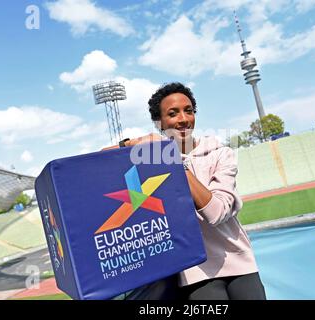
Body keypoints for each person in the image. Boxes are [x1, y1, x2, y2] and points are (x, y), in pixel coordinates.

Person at [103, 82, 266, 300]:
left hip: (237, 259)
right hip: (194, 269)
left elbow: (217, 213)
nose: (183, 119)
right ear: (159, 122)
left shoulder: (220, 154)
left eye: (188, 111)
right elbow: (100, 159)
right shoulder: (152, 157)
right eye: (173, 113)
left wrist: (171, 160)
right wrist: (132, 142)